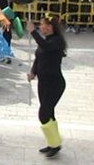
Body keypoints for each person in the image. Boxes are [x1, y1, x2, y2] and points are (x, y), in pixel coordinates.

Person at [26, 16, 67, 158]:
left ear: (54, 27)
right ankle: (53, 142)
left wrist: (33, 32)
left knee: (43, 114)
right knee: (49, 113)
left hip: (55, 83)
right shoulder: (44, 40)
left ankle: (55, 144)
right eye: (43, 25)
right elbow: (38, 58)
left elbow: (46, 47)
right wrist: (32, 72)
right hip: (43, 82)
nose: (44, 27)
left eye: (48, 25)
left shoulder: (57, 41)